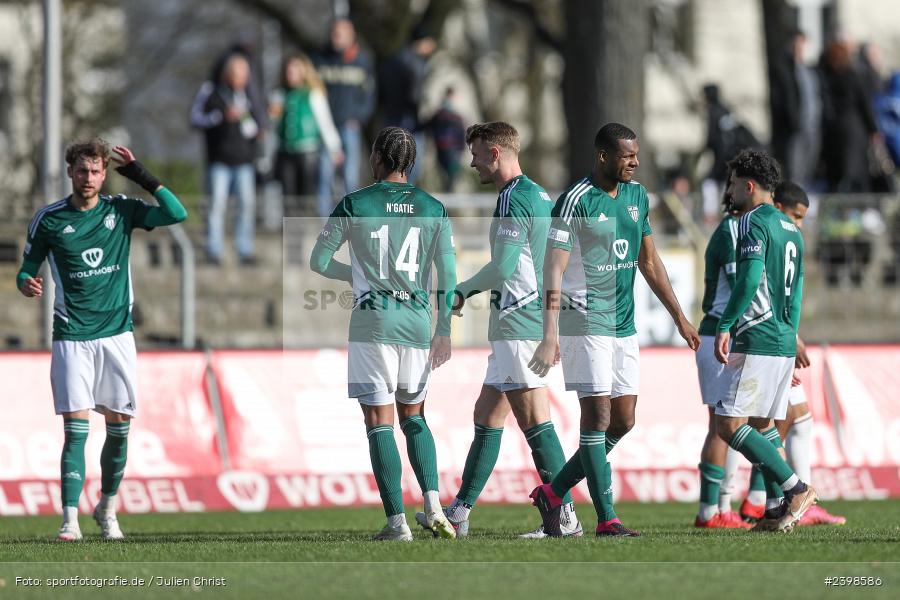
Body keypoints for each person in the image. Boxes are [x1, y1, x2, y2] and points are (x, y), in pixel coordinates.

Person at [528, 123, 701, 537]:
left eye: (636, 155)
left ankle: (554, 493)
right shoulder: (575, 200)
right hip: (583, 319)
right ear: (603, 156)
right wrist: (549, 331)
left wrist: (679, 316)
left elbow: (650, 261)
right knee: (598, 415)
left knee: (624, 420)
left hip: (623, 323)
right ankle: (607, 518)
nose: (635, 162)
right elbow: (553, 268)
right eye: (627, 156)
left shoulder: (638, 197)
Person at [416, 122, 582, 539]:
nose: (470, 163)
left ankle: (565, 517)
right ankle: (460, 511)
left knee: (535, 422)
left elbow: (504, 268)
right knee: (487, 415)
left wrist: (460, 291)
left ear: (494, 153)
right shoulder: (539, 194)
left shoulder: (512, 198)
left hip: (517, 322)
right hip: (524, 321)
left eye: (475, 154)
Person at [16, 139, 188, 541]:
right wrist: (26, 282)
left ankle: (107, 508)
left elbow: (176, 214)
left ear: (104, 173)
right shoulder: (50, 219)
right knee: (75, 429)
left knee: (118, 428)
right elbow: (26, 268)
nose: (88, 178)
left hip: (117, 337)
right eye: (81, 170)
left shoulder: (120, 210)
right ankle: (69, 519)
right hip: (72, 336)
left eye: (95, 171)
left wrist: (140, 173)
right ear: (70, 172)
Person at [309, 127, 456, 541]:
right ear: (410, 163)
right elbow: (448, 274)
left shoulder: (355, 203)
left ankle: (397, 524)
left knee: (379, 421)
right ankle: (432, 505)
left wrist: (359, 279)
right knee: (415, 416)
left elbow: (319, 260)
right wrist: (443, 328)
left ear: (377, 158)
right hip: (416, 323)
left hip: (373, 321)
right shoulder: (433, 207)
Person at [713, 149, 817, 533]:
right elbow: (799, 290)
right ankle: (775, 508)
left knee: (728, 424)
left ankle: (795, 487)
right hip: (783, 337)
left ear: (749, 185)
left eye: (734, 183)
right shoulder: (793, 230)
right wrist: (790, 335)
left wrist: (725, 323)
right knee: (762, 424)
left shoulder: (754, 221)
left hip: (757, 334)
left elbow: (751, 276)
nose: (731, 190)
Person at [768, 181, 845, 527]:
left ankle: (786, 501)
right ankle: (774, 499)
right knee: (747, 426)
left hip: (778, 337)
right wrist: (787, 341)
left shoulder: (786, 237)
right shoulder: (768, 232)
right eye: (795, 216)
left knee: (796, 417)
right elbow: (762, 292)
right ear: (778, 205)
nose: (798, 224)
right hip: (764, 340)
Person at [692, 172, 750, 529]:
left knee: (737, 423)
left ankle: (725, 507)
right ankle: (710, 511)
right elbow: (742, 285)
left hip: (729, 335)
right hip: (719, 335)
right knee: (721, 425)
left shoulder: (741, 229)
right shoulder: (731, 231)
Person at [190, 53, 262, 265]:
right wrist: (221, 116)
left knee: (246, 207)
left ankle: (244, 250)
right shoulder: (210, 91)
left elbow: (257, 124)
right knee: (216, 206)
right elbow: (195, 118)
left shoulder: (248, 95)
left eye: (245, 75)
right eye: (238, 74)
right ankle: (213, 250)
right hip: (219, 161)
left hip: (244, 161)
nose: (242, 79)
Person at [314, 18, 377, 217]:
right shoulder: (320, 59)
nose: (336, 37)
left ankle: (351, 220)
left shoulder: (362, 61)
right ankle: (324, 222)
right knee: (324, 174)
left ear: (351, 35)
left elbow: (369, 95)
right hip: (326, 128)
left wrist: (358, 118)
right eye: (334, 33)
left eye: (341, 33)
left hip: (349, 126)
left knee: (350, 176)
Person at [269, 54, 343, 210]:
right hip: (285, 151)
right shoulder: (279, 94)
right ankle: (289, 233)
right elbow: (272, 126)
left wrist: (334, 148)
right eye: (289, 71)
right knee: (288, 198)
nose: (292, 74)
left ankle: (305, 232)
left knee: (306, 198)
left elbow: (325, 122)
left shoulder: (313, 94)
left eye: (296, 70)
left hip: (307, 152)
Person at [770, 29, 822, 189]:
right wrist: (792, 122)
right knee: (795, 172)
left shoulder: (810, 70)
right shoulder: (784, 69)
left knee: (809, 171)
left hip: (813, 128)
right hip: (796, 130)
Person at [421, 87, 467, 192]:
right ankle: (447, 204)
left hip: (451, 153)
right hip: (446, 153)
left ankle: (447, 204)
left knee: (449, 182)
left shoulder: (449, 116)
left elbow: (461, 137)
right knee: (448, 182)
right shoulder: (443, 116)